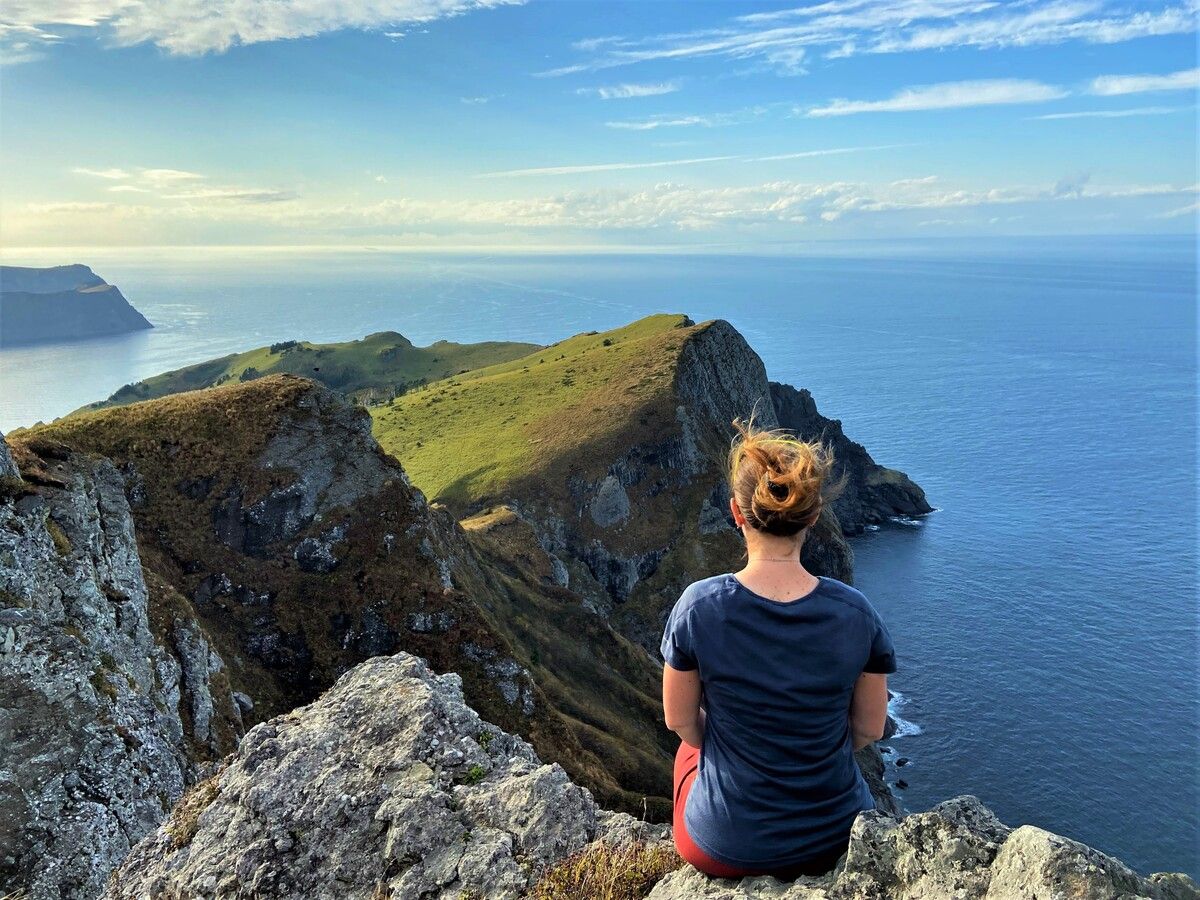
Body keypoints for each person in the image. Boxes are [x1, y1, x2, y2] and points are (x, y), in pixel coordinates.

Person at [660, 415, 896, 879]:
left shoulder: (699, 607)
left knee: (689, 752)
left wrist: (742, 744)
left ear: (736, 511)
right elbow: (869, 728)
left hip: (725, 844)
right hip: (836, 835)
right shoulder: (856, 613)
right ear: (813, 516)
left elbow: (679, 720)